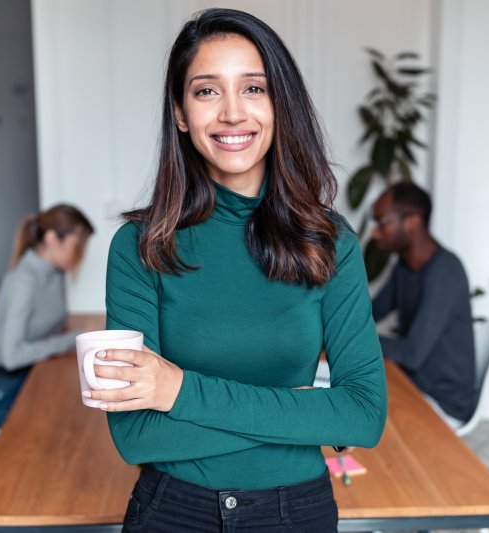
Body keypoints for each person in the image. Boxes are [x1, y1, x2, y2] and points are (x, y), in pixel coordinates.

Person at [82, 9, 387, 532]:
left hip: (297, 513)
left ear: (279, 105)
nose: (231, 112)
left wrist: (175, 392)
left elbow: (363, 415)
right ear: (180, 112)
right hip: (171, 512)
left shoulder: (330, 243)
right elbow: (136, 436)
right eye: (206, 91)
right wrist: (303, 412)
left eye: (253, 88)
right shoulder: (139, 247)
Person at [0, 204, 93, 427]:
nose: (80, 255)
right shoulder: (23, 282)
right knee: (67, 423)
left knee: (78, 407)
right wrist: (72, 340)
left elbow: (54, 325)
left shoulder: (54, 273)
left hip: (25, 376)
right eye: (77, 245)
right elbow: (11, 357)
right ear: (51, 238)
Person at [370, 182, 476, 428]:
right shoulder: (405, 267)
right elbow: (370, 313)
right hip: (413, 383)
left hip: (442, 402)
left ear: (412, 222)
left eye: (381, 222)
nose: (374, 233)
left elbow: (412, 354)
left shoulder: (445, 273)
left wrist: (351, 340)